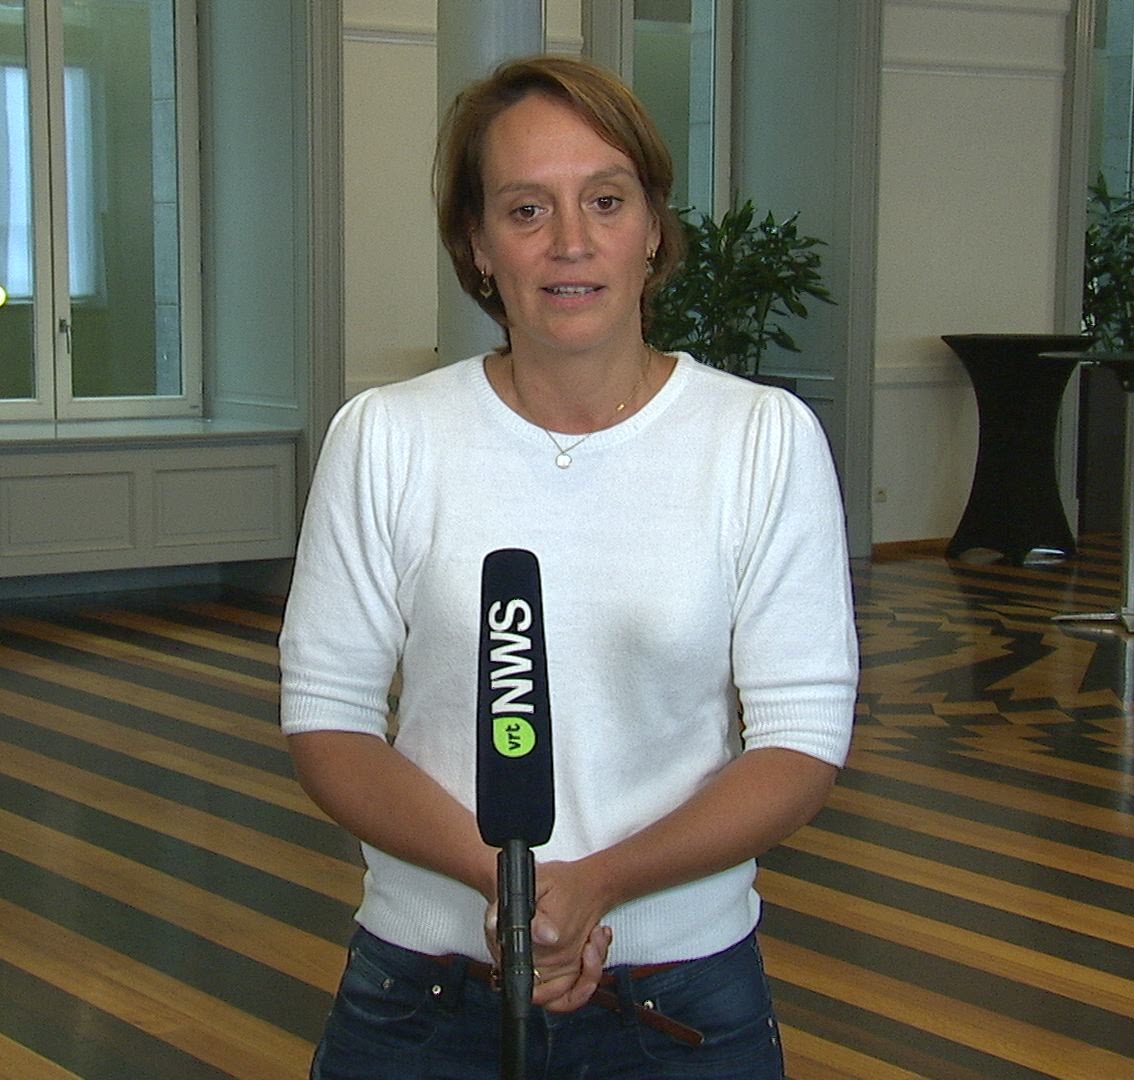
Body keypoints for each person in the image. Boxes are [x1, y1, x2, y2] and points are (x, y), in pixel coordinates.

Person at [279, 54, 858, 1079]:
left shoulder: (761, 440)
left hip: (681, 1001)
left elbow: (800, 739)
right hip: (423, 993)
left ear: (653, 229)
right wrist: (507, 889)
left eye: (605, 200)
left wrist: (599, 884)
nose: (572, 242)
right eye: (526, 210)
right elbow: (329, 719)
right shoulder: (386, 438)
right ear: (478, 244)